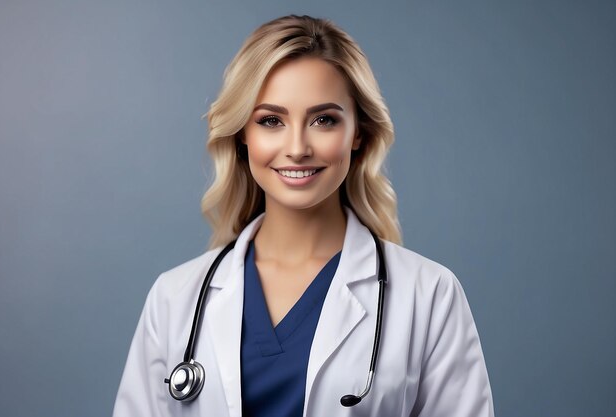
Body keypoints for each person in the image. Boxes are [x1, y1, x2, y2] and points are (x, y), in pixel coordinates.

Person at [113, 15, 494, 417]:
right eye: (271, 121)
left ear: (358, 133)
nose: (297, 148)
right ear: (244, 133)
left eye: (323, 120)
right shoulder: (174, 298)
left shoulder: (429, 295)